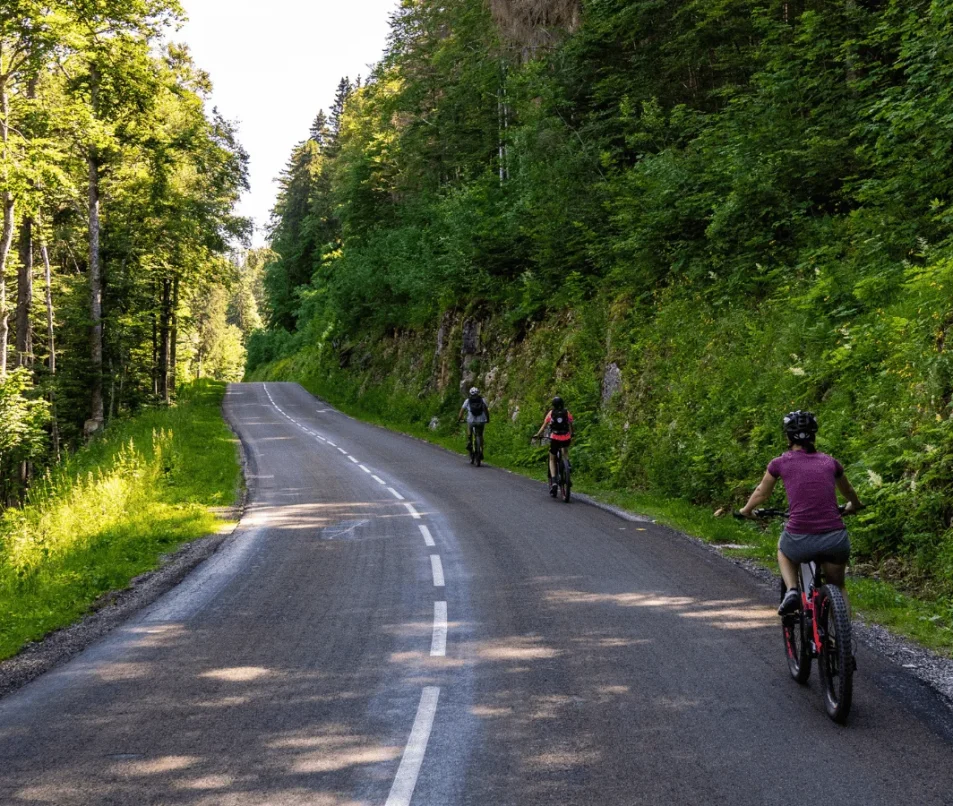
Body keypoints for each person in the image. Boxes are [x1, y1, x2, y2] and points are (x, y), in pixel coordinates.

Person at [738, 410, 863, 615]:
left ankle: (792, 590)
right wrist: (855, 505)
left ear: (788, 437)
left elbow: (762, 492)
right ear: (814, 436)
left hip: (799, 538)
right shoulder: (830, 462)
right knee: (838, 586)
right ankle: (843, 632)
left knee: (783, 549)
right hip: (835, 539)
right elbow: (848, 491)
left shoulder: (780, 463)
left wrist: (746, 510)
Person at [534, 396, 574, 496]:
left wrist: (538, 434)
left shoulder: (551, 413)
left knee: (552, 458)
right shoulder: (566, 412)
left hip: (555, 438)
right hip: (566, 437)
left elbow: (544, 425)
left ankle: (554, 482)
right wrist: (571, 434)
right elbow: (570, 424)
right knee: (565, 451)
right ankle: (567, 467)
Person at [458, 387, 489, 456]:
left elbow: (462, 411)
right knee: (480, 435)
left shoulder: (467, 400)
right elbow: (486, 410)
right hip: (481, 421)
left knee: (469, 433)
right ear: (478, 393)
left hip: (471, 420)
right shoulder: (482, 400)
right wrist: (487, 419)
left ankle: (469, 442)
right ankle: (481, 451)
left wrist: (459, 419)